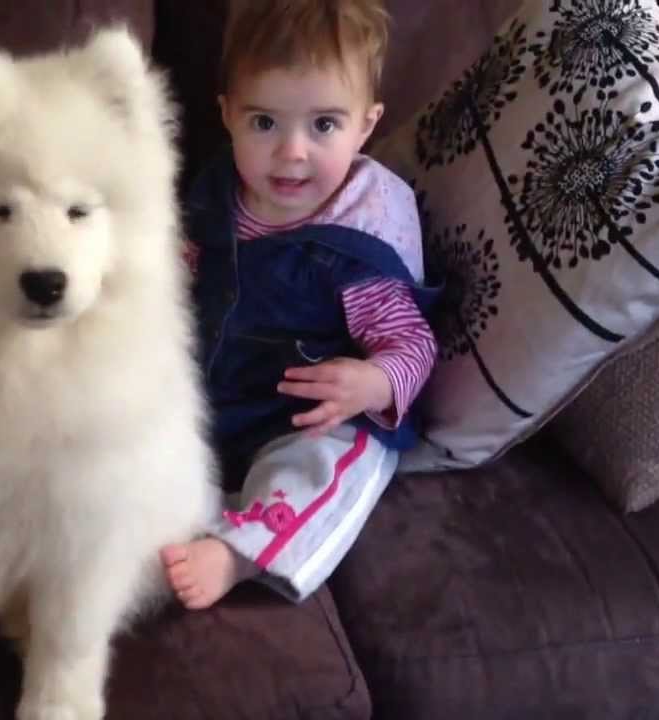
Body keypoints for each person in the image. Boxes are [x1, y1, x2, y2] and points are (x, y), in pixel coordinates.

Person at [161, 0, 441, 608]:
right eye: (265, 123)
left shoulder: (360, 236)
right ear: (228, 115)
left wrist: (371, 383)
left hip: (305, 416)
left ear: (366, 126)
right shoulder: (212, 200)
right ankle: (182, 518)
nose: (291, 153)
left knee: (346, 456)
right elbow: (167, 282)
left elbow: (413, 344)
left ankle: (241, 551)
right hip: (208, 399)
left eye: (323, 126)